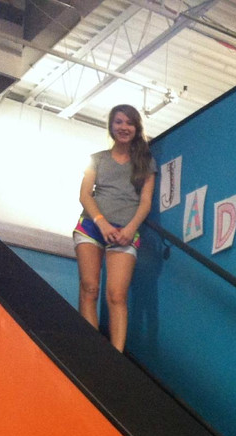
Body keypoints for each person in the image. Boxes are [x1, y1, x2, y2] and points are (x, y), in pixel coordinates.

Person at [74, 104, 156, 352]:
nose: (124, 127)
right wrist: (101, 222)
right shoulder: (97, 159)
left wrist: (130, 229)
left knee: (117, 295)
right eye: (119, 122)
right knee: (89, 288)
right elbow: (84, 195)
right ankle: (92, 351)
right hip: (92, 227)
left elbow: (146, 202)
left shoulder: (146, 163)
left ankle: (115, 357)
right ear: (111, 126)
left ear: (136, 128)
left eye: (129, 123)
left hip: (125, 232)